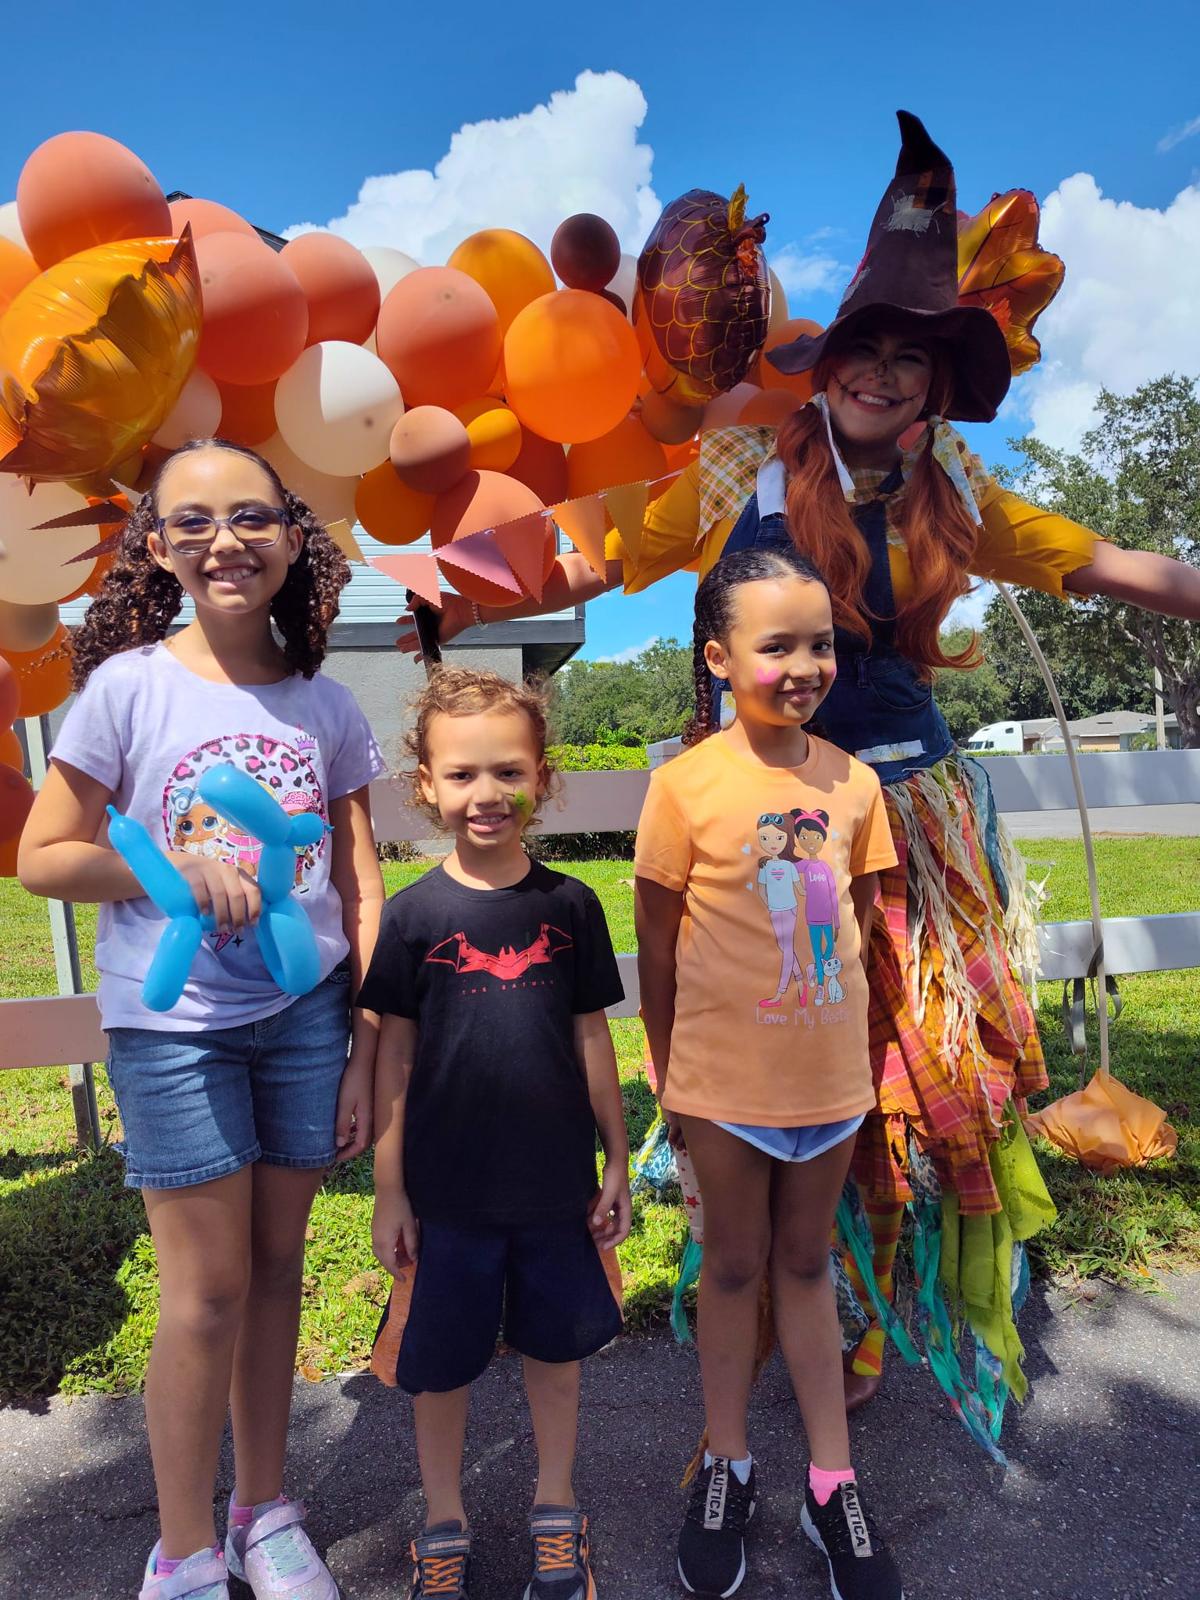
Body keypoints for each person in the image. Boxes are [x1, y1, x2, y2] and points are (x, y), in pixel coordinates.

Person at [398, 111, 1200, 1446]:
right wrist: (449, 597)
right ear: (829, 369)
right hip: (770, 829)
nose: (884, 377)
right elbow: (597, 549)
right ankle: (771, 1283)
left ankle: (871, 1306)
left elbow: (1111, 563)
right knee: (786, 1059)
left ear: (940, 385)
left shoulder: (957, 495)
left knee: (906, 1080)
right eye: (865, 352)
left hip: (918, 826)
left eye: (911, 360)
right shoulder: (735, 472)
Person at [19, 439, 387, 1600]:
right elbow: (43, 856)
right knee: (207, 1290)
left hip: (308, 1014)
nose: (224, 540)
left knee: (277, 1268)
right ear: (159, 548)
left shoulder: (327, 705)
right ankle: (181, 1550)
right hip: (172, 1028)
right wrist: (165, 869)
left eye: (249, 517)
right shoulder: (125, 688)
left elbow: (363, 881)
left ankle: (263, 1511)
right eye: (192, 523)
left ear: (291, 533)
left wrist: (371, 1042)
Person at [636, 545, 902, 1599]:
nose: (803, 663)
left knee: (808, 1268)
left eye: (822, 642)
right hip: (722, 1092)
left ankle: (831, 1482)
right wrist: (670, 1068)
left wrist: (854, 1055)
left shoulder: (857, 781)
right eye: (775, 643)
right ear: (719, 656)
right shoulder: (683, 786)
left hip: (831, 1087)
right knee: (734, 1270)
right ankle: (728, 1461)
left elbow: (865, 930)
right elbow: (657, 943)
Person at [360, 668, 631, 1600]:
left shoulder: (570, 907)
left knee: (557, 1358)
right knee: (440, 1371)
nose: (488, 795)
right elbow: (392, 1061)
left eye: (508, 773)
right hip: (446, 1198)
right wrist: (391, 1190)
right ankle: (443, 1524)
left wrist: (620, 1157)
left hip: (555, 1187)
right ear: (426, 785)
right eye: (464, 775)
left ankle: (557, 1514)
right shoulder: (411, 916)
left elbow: (593, 1035)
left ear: (543, 779)